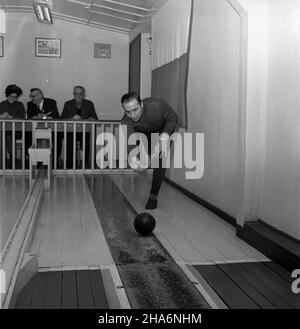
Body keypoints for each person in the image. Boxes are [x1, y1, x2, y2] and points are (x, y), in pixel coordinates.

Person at [120, 92, 178, 210]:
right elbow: (131, 141)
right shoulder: (126, 121)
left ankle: (153, 196)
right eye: (128, 111)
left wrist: (166, 133)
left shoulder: (157, 105)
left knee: (160, 160)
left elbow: (173, 117)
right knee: (142, 158)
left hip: (163, 130)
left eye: (135, 110)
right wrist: (133, 159)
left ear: (141, 104)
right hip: (145, 133)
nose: (132, 115)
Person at [60, 86, 98, 168]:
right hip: (71, 131)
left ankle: (87, 163)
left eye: (80, 94)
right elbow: (62, 119)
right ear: (73, 94)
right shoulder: (68, 104)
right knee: (69, 139)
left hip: (85, 131)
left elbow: (95, 119)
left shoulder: (89, 104)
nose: (78, 96)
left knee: (88, 140)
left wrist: (89, 119)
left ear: (84, 95)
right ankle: (69, 165)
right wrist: (71, 119)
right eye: (76, 93)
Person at [0, 84, 25, 168]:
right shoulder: (2, 104)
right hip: (3, 130)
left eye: (16, 97)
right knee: (4, 137)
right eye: (12, 96)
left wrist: (10, 117)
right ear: (7, 95)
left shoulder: (20, 105)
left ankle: (12, 159)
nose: (14, 99)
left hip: (16, 130)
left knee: (8, 137)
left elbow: (22, 117)